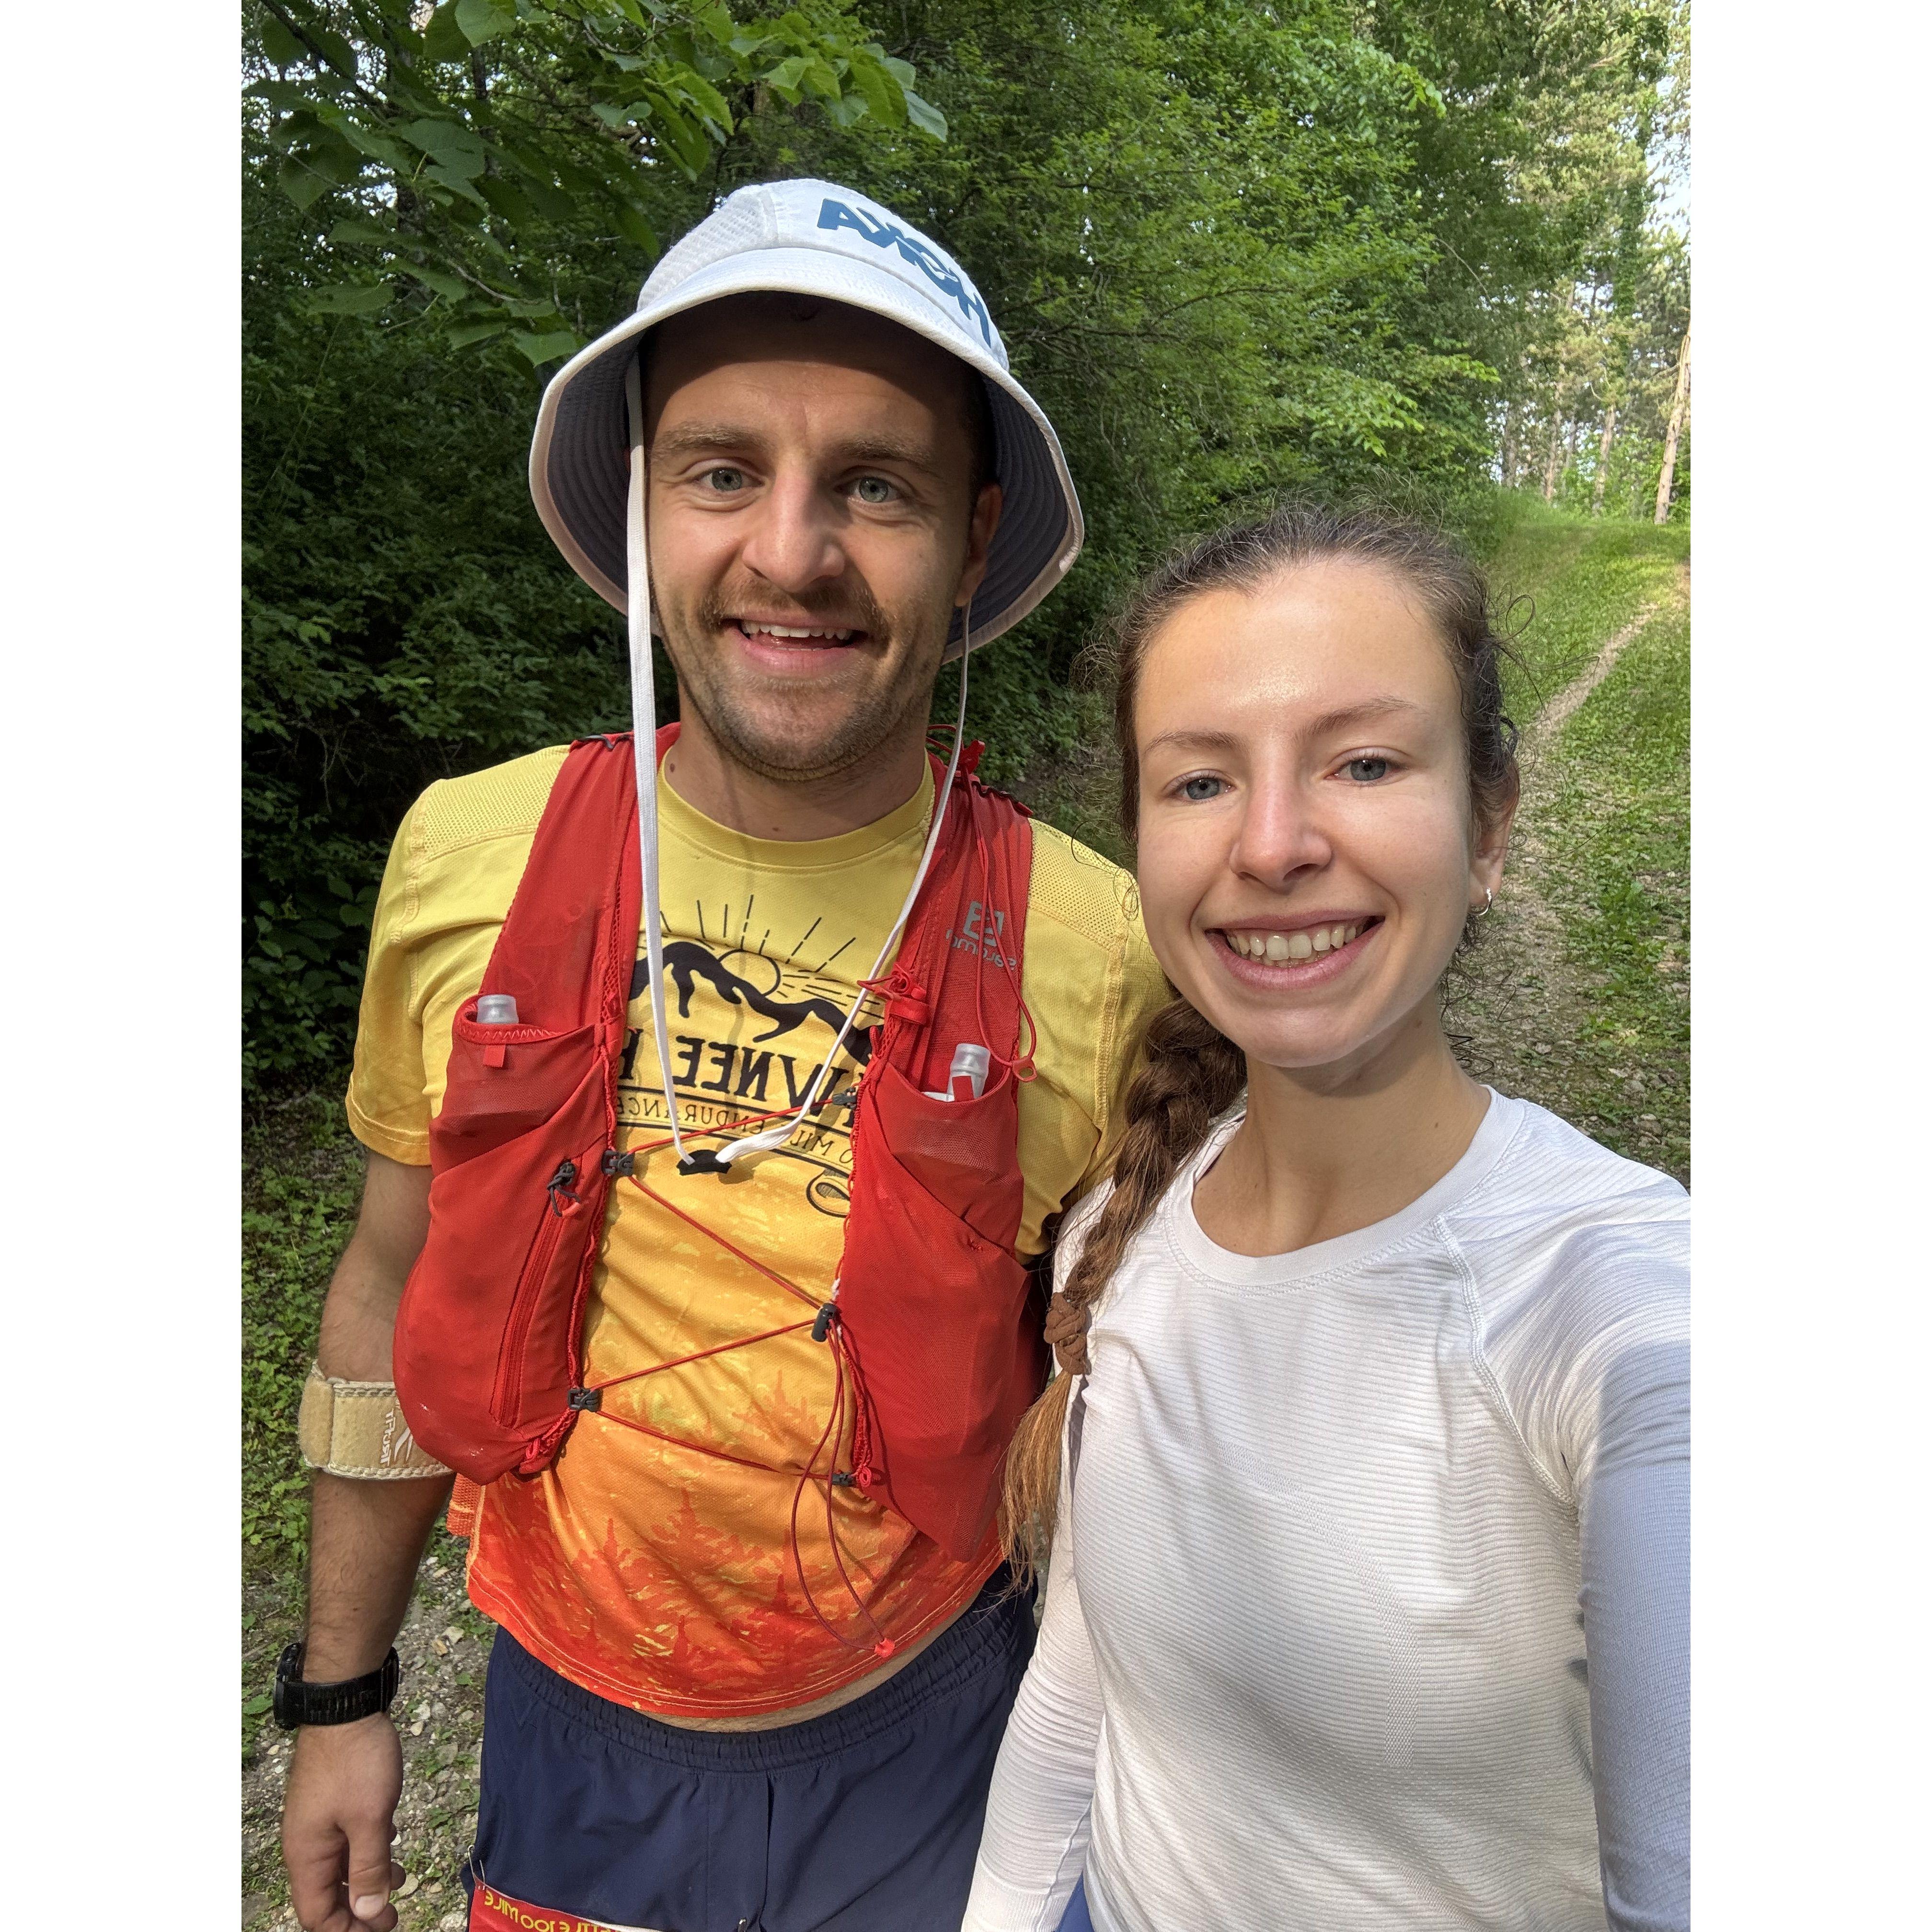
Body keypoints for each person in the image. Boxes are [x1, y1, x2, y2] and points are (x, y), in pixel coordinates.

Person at [277, 179, 1169, 1932]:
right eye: (720, 470)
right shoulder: (470, 851)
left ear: (975, 538)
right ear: (641, 502)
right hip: (571, 1740)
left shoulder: (1109, 950)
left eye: (877, 485)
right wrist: (340, 1696)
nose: (789, 552)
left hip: (938, 1734)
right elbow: (388, 1288)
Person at [963, 507, 1690, 1932]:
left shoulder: (1625, 1317)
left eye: (1363, 763)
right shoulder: (1125, 1214)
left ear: (1489, 828)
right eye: (1199, 782)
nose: (1276, 843)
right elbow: (1084, 1684)